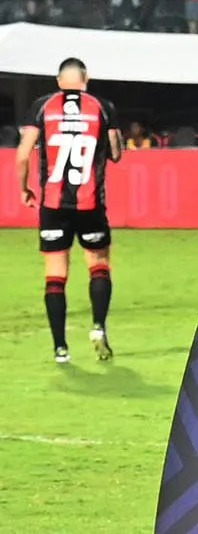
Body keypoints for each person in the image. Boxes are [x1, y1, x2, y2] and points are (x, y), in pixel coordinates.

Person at [16, 57, 120, 364]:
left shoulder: (41, 106)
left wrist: (24, 189)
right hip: (90, 203)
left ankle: (60, 348)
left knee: (55, 275)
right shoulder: (102, 106)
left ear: (59, 81)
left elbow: (23, 155)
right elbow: (115, 153)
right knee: (99, 264)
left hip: (52, 205)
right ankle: (99, 327)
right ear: (85, 79)